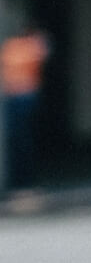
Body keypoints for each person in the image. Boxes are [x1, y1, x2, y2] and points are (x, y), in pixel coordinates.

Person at [2, 18, 51, 190]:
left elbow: (44, 51)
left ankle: (27, 178)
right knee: (18, 139)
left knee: (25, 138)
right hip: (16, 97)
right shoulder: (14, 47)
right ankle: (21, 178)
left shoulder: (29, 46)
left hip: (26, 96)